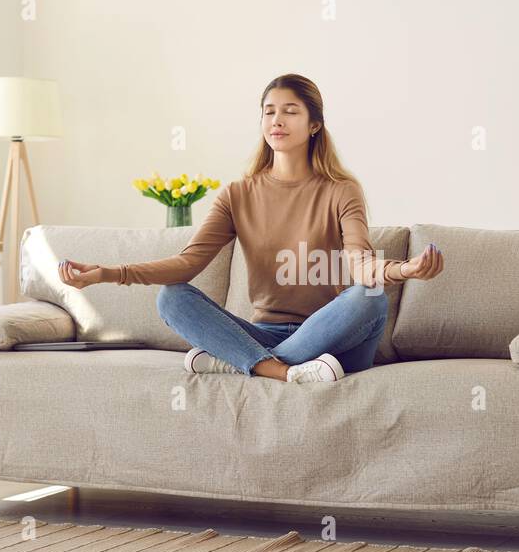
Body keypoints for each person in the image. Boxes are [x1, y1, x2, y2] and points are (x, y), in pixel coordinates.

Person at [59, 73, 444, 382]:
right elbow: (188, 263)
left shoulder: (342, 191)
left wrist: (401, 270)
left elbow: (360, 262)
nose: (277, 119)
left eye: (290, 111)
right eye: (269, 111)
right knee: (171, 297)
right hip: (264, 332)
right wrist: (108, 274)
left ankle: (240, 363)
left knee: (369, 296)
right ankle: (281, 371)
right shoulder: (238, 195)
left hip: (329, 338)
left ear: (314, 125)